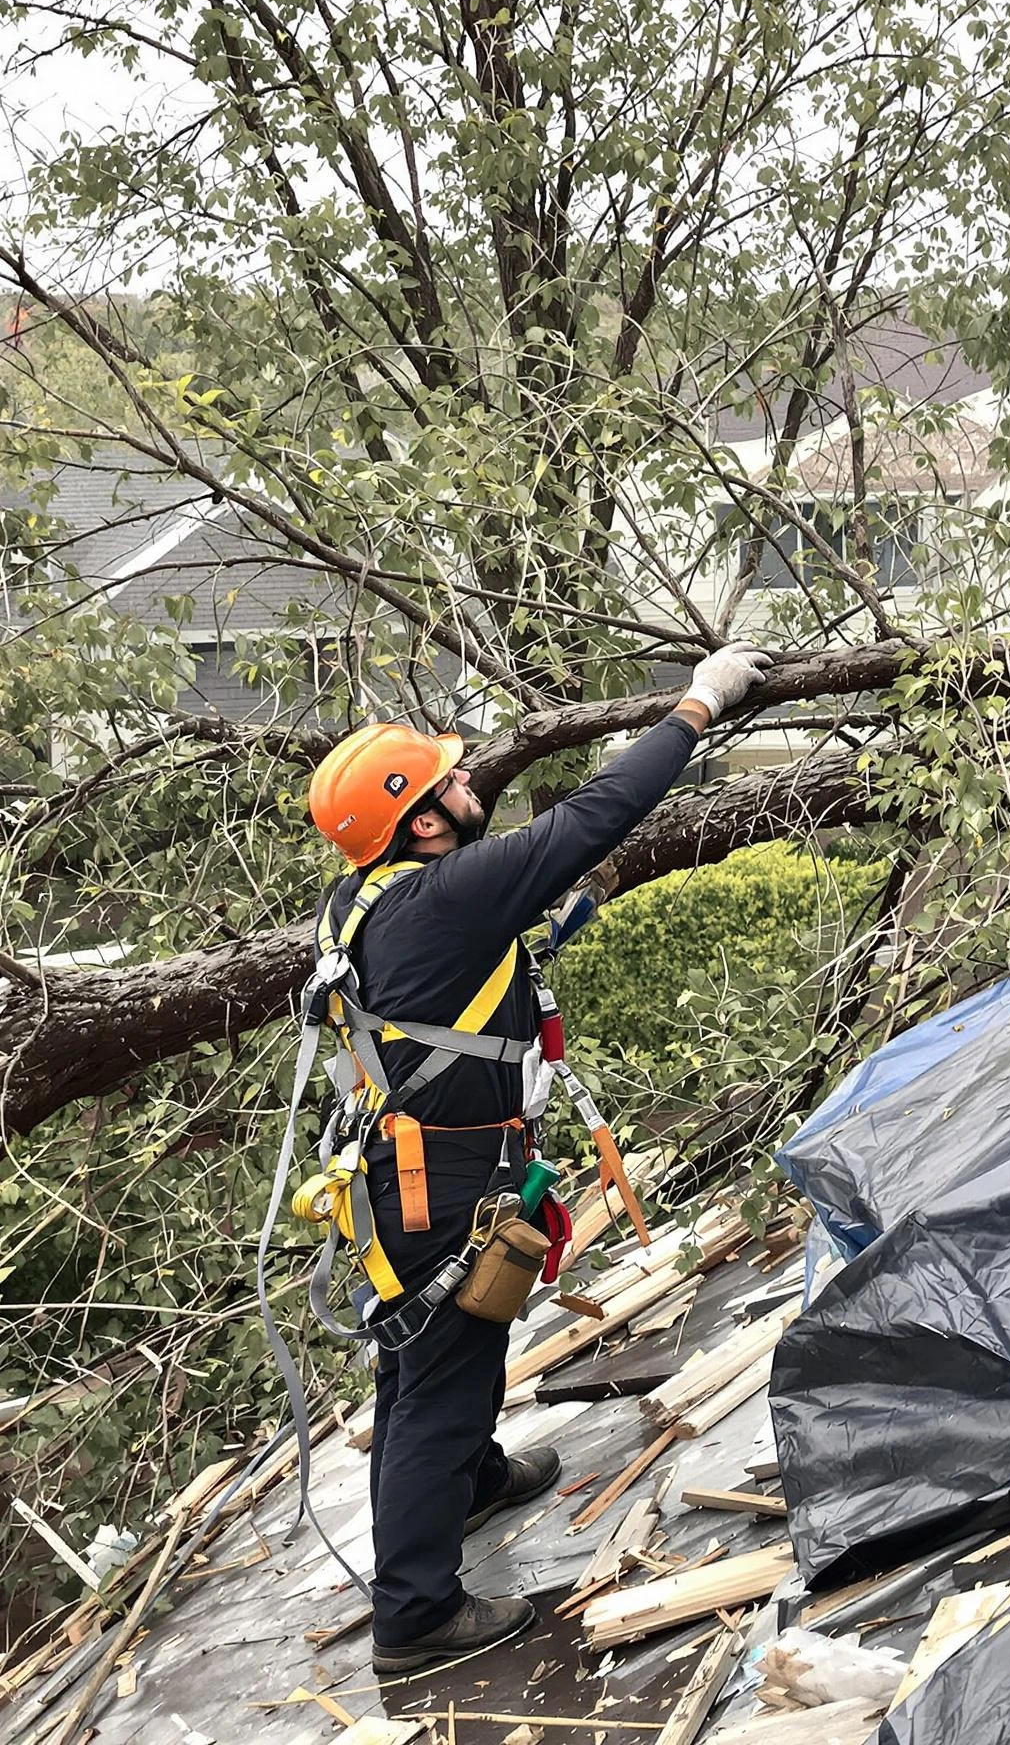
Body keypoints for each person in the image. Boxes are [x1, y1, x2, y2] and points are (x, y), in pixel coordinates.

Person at [304, 641, 773, 1674]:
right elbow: (593, 814)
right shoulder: (446, 895)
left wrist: (563, 911)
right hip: (442, 1174)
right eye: (450, 783)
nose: (469, 782)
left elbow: (469, 972)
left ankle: (467, 1480)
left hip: (414, 1162)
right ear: (420, 824)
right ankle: (416, 1615)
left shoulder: (376, 898)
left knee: (429, 1356)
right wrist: (699, 706)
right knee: (439, 1369)